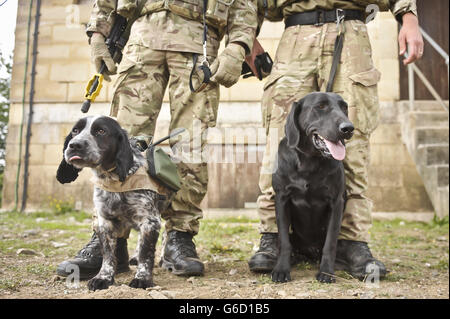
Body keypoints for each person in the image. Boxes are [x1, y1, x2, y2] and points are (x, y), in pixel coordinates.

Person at [57, 0, 258, 279]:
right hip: (142, 41)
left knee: (191, 145)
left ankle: (180, 238)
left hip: (199, 44)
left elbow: (244, 4)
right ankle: (111, 241)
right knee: (118, 144)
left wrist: (238, 45)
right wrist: (98, 34)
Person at [249, 0, 423, 279]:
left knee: (353, 141)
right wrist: (249, 38)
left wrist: (409, 17)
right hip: (295, 35)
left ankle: (351, 242)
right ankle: (273, 238)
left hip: (351, 33)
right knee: (281, 140)